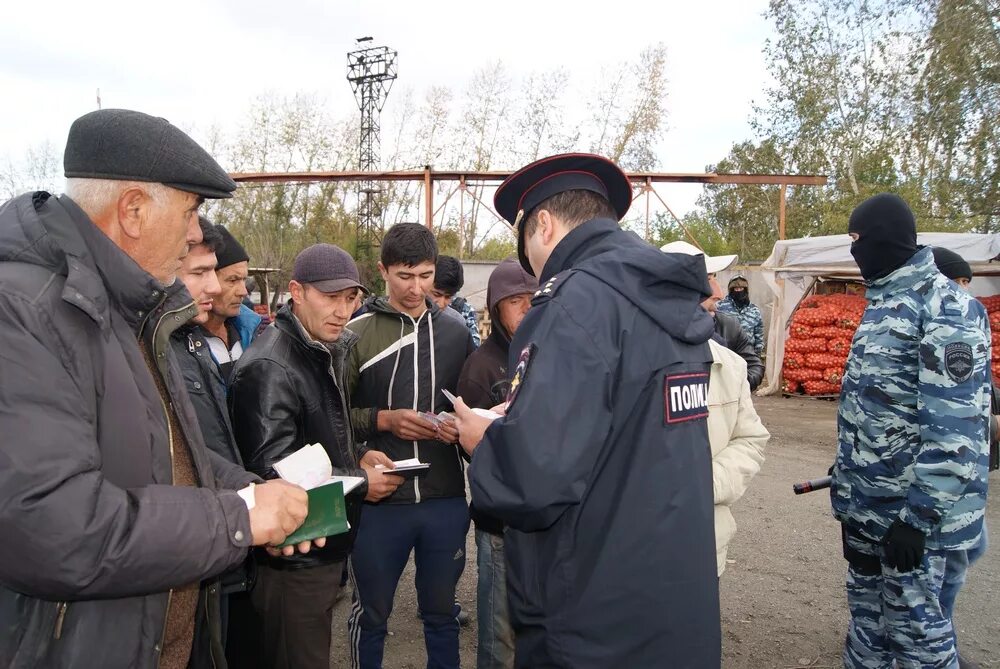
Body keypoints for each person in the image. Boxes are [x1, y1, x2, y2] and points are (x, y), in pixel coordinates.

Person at [0, 108, 311, 669]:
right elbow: (50, 525)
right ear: (135, 210)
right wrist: (238, 520)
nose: (197, 233)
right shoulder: (21, 311)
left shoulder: (132, 309)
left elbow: (168, 458)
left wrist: (257, 496)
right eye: (192, 212)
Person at [452, 153, 721, 668]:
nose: (531, 266)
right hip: (669, 602)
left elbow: (535, 479)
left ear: (544, 226)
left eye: (523, 242)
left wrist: (484, 443)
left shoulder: (573, 303)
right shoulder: (668, 302)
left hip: (591, 617)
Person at [831, 194, 991, 669]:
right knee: (869, 629)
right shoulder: (883, 302)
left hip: (914, 523)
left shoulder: (944, 308)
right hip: (869, 511)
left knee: (917, 637)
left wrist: (916, 521)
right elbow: (874, 408)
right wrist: (847, 482)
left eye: (857, 241)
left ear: (881, 239)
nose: (854, 252)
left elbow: (956, 431)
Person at [228, 243, 403, 669]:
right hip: (293, 560)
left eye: (350, 298)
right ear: (297, 292)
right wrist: (361, 482)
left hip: (319, 546)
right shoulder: (271, 366)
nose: (342, 310)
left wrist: (359, 456)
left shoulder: (322, 349)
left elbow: (321, 441)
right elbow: (273, 475)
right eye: (329, 296)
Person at [345, 223, 475, 669]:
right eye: (404, 276)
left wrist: (462, 428)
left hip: (444, 498)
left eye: (424, 275)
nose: (416, 288)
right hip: (381, 501)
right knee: (372, 615)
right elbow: (328, 416)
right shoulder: (355, 332)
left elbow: (472, 407)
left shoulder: (457, 331)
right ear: (382, 271)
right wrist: (383, 420)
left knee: (441, 614)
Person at [456, 257, 538, 669]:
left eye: (533, 298)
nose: (526, 308)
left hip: (545, 518)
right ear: (495, 306)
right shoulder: (481, 366)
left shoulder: (548, 352)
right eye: (516, 300)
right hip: (499, 523)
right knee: (499, 635)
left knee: (539, 629)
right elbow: (466, 448)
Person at [931, 246, 996, 669]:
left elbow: (979, 381)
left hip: (968, 461)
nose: (965, 291)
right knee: (950, 561)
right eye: (960, 281)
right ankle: (937, 643)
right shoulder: (947, 315)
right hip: (944, 466)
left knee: (971, 550)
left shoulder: (970, 316)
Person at [661, 241, 764, 390]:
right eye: (708, 280)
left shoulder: (728, 325)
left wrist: (731, 386)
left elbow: (754, 366)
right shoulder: (650, 336)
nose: (719, 294)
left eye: (715, 278)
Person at [705, 339, 769, 575]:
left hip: (705, 549)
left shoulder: (730, 365)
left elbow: (750, 439)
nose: (719, 298)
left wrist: (703, 484)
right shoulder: (610, 354)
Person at [202, 226, 265, 382]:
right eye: (232, 280)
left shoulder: (249, 333)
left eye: (244, 279)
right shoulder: (183, 344)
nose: (243, 291)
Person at [431, 254, 482, 347]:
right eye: (436, 294)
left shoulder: (463, 313)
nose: (441, 304)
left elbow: (473, 351)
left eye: (448, 297)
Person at [717, 275, 765, 355]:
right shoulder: (720, 306)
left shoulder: (754, 310)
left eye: (741, 288)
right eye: (736, 289)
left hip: (748, 353)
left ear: (746, 290)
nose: (739, 291)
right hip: (727, 353)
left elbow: (759, 333)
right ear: (731, 290)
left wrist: (757, 353)